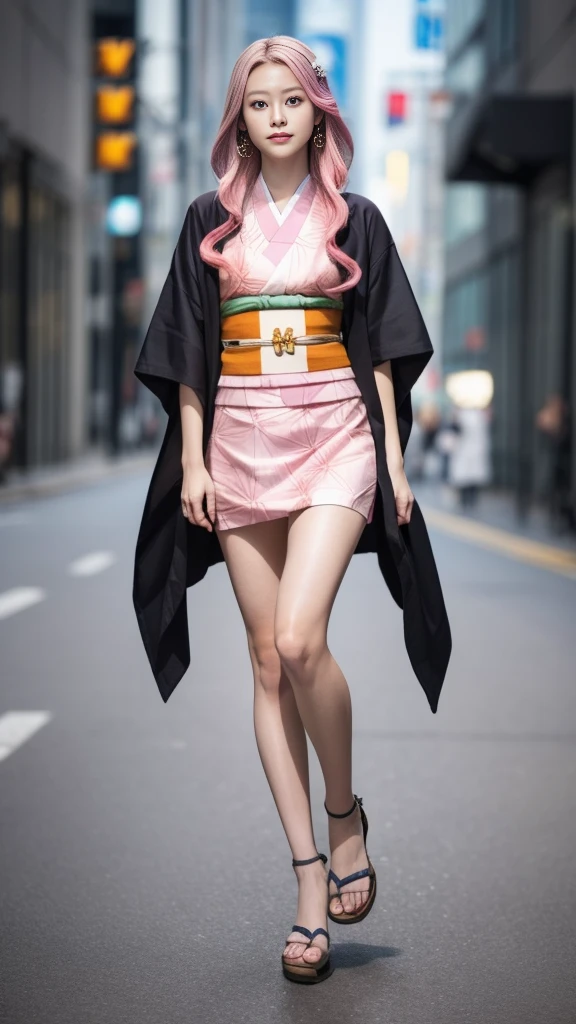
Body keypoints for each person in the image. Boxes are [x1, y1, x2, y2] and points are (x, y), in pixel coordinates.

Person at [132, 36, 452, 984]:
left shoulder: (357, 219)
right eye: (259, 102)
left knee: (304, 639)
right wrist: (193, 461)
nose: (276, 116)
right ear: (242, 117)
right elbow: (189, 352)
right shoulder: (207, 221)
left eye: (293, 100)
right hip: (237, 446)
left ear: (319, 112)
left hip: (334, 438)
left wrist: (393, 460)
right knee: (268, 661)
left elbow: (384, 352)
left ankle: (344, 817)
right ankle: (309, 881)